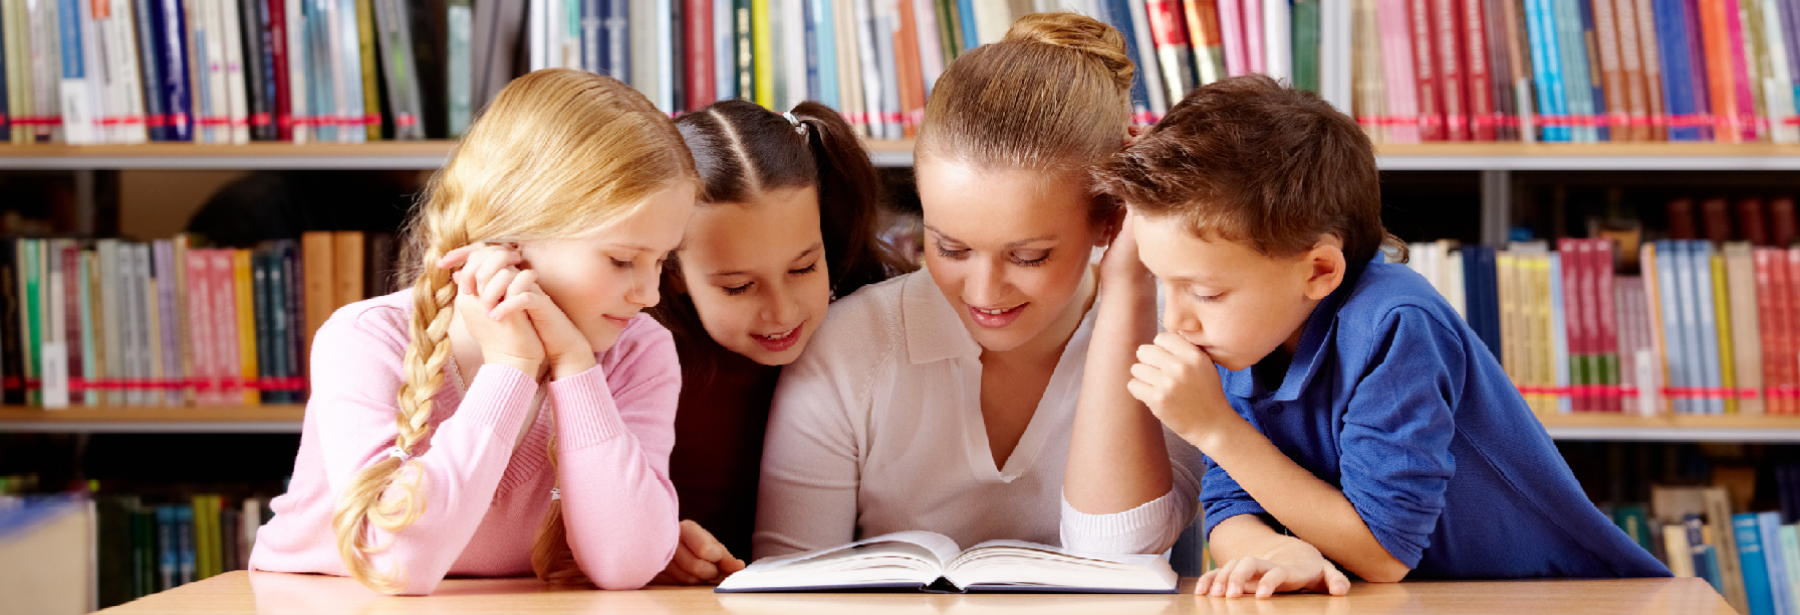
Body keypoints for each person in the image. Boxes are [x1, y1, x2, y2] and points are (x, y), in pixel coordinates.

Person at [1091, 75, 1670, 598]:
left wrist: (1212, 427)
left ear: (1319, 270)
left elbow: (1384, 552)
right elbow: (1229, 505)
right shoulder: (1240, 334)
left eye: (1206, 292)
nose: (1177, 321)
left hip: (1568, 598)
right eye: (1164, 285)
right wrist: (1274, 551)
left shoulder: (1395, 321)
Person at [753, 12, 1201, 561]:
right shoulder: (849, 347)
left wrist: (1131, 281)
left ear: (1110, 218)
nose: (984, 292)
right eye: (951, 248)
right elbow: (784, 586)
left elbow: (1120, 553)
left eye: (1029, 256)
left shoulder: (1173, 345)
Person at [248, 69, 698, 595]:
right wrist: (510, 368)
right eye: (622, 260)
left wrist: (575, 367)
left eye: (661, 261)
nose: (649, 294)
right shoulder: (364, 341)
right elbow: (394, 561)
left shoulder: (639, 351)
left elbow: (626, 565)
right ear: (511, 235)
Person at [647, 99, 911, 584]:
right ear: (671, 268)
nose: (783, 312)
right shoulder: (635, 357)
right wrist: (652, 543)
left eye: (803, 267)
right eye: (738, 286)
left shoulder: (872, 324)